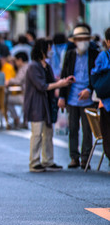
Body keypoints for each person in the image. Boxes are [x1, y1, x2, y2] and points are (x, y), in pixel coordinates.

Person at [24, 38, 75, 173]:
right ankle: (34, 162)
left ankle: (48, 160)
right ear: (42, 49)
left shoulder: (46, 66)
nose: (51, 50)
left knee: (48, 133)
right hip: (36, 104)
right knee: (37, 134)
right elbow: (42, 86)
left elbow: (51, 82)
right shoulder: (33, 66)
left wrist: (62, 81)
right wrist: (60, 84)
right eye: (49, 47)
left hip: (47, 104)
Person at [58, 24, 100, 169]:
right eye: (79, 39)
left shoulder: (95, 54)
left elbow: (97, 76)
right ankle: (74, 157)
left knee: (88, 130)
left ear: (89, 40)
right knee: (73, 128)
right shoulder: (69, 55)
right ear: (75, 41)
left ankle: (85, 158)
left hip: (88, 98)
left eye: (84, 39)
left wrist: (89, 89)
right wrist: (62, 97)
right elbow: (64, 75)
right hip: (72, 98)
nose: (82, 41)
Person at [90, 27, 110, 162]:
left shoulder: (103, 56)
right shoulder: (103, 56)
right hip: (106, 102)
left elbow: (95, 73)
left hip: (105, 101)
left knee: (107, 133)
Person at [6, 52, 29, 128]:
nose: (15, 63)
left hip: (25, 95)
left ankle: (16, 118)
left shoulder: (24, 68)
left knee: (6, 100)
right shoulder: (30, 66)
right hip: (29, 94)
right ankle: (23, 121)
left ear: (20, 60)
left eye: (16, 61)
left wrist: (8, 81)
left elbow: (18, 80)